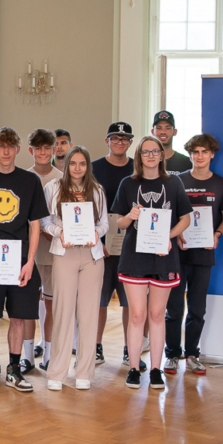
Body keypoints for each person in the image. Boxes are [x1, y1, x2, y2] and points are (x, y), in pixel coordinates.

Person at [0, 127, 48, 393]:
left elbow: (35, 224)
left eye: (10, 146)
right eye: (0, 145)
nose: (5, 151)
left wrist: (30, 262)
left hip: (20, 262)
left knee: (18, 317)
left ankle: (14, 368)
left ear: (16, 149)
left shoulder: (30, 181)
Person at [112, 135, 191, 390]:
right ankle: (134, 368)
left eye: (154, 151)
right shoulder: (128, 183)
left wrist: (166, 237)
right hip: (134, 257)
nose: (150, 155)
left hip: (163, 257)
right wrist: (130, 216)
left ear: (161, 154)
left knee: (157, 314)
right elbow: (119, 223)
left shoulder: (174, 183)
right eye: (145, 152)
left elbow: (186, 219)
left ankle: (156, 370)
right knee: (137, 315)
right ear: (139, 156)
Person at [41, 146, 109, 391]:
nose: (78, 168)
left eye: (82, 164)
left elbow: (104, 223)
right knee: (62, 312)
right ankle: (57, 373)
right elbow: (45, 221)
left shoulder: (97, 190)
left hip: (91, 255)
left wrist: (96, 233)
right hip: (64, 253)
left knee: (89, 314)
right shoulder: (53, 188)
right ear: (66, 165)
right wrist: (60, 232)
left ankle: (84, 372)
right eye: (73, 164)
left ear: (87, 166)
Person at [165, 134, 223, 376]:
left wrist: (216, 235)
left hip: (204, 255)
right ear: (191, 154)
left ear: (212, 154)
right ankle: (172, 354)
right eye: (195, 152)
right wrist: (177, 234)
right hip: (177, 254)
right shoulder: (177, 181)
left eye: (204, 152)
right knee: (173, 308)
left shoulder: (222, 185)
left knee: (197, 309)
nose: (200, 156)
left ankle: (192, 354)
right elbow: (170, 216)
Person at [91, 122, 144, 370]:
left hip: (132, 245)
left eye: (125, 139)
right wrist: (98, 239)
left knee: (129, 302)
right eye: (115, 138)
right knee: (99, 300)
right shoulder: (94, 169)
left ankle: (128, 349)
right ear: (107, 141)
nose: (120, 142)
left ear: (131, 142)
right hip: (100, 244)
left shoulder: (139, 168)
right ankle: (96, 347)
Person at [22, 129, 63, 375]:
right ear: (31, 151)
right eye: (38, 149)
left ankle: (48, 353)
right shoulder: (23, 178)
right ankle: (27, 356)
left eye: (47, 148)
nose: (43, 153)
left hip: (53, 250)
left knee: (51, 304)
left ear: (54, 149)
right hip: (26, 253)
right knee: (27, 304)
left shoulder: (63, 178)